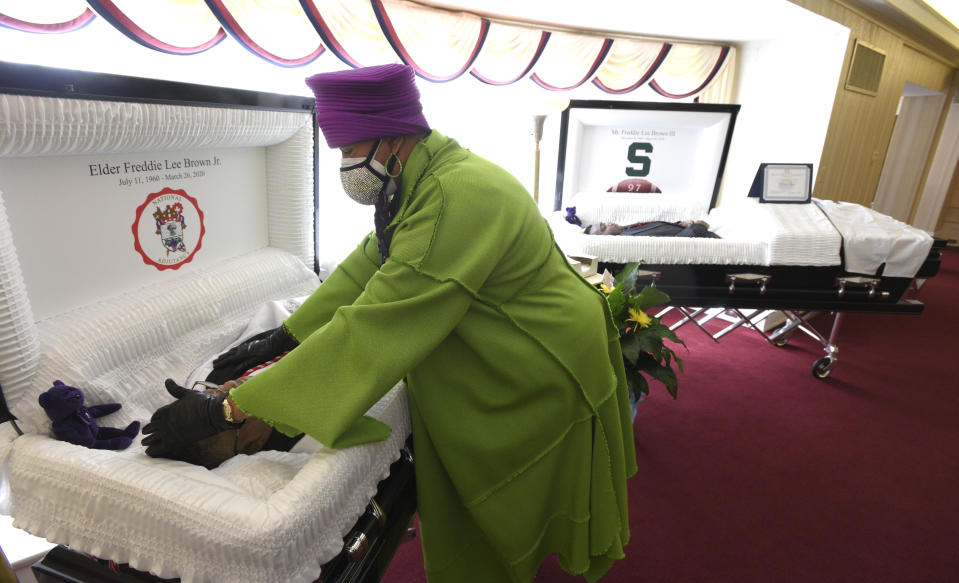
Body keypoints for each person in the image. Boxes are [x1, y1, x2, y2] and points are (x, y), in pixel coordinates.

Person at [142, 64, 636, 583]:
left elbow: (378, 325)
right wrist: (286, 335)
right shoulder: (420, 178)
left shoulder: (454, 193)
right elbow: (365, 267)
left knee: (517, 480)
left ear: (394, 136)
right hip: (517, 329)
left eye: (349, 150)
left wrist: (230, 407)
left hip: (536, 346)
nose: (344, 164)